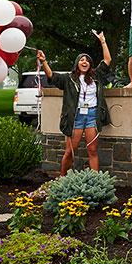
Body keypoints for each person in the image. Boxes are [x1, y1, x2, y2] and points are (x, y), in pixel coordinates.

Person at [37, 31, 113, 175]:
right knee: (70, 151)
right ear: (77, 63)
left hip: (92, 115)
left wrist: (103, 41)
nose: (85, 62)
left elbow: (107, 60)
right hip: (75, 116)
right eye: (81, 60)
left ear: (90, 65)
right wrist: (44, 61)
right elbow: (52, 77)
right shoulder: (68, 79)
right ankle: (62, 178)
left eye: (87, 60)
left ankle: (96, 181)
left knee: (92, 150)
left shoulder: (96, 76)